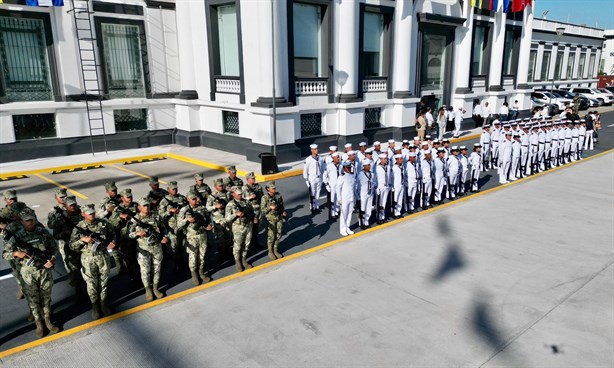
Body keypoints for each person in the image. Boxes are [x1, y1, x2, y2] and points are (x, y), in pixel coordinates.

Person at [7, 209, 60, 337]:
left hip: (44, 271)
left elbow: (54, 248)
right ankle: (38, 324)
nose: (30, 223)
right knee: (33, 300)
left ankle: (48, 321)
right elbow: (5, 254)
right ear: (22, 222)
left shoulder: (43, 233)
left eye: (31, 220)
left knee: (46, 298)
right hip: (28, 273)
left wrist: (52, 260)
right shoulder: (17, 236)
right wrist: (16, 253)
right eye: (27, 221)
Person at [70, 204, 117, 320]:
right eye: (89, 213)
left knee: (103, 282)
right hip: (88, 259)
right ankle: (95, 307)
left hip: (102, 257)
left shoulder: (103, 223)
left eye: (93, 212)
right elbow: (72, 246)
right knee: (91, 284)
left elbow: (112, 235)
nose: (92, 214)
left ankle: (103, 304)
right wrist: (82, 240)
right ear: (83, 214)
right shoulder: (78, 227)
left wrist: (113, 243)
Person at [129, 198, 169, 302]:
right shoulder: (134, 220)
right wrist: (137, 234)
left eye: (147, 205)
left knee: (157, 268)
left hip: (156, 247)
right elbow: (129, 234)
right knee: (145, 271)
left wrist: (165, 237)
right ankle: (148, 290)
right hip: (143, 249)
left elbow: (164, 228)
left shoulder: (156, 216)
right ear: (139, 207)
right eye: (144, 206)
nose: (146, 207)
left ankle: (155, 288)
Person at [178, 192, 212, 285]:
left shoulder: (202, 208)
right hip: (191, 237)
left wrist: (209, 226)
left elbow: (208, 219)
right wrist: (187, 220)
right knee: (193, 256)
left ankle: (201, 273)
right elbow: (178, 226)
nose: (195, 201)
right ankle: (194, 275)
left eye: (196, 199)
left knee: (202, 255)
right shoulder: (184, 210)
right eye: (193, 199)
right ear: (188, 199)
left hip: (202, 235)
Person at [225, 187, 255, 272]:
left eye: (241, 194)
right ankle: (238, 262)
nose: (240, 195)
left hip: (248, 225)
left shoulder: (246, 202)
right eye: (238, 194)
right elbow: (227, 218)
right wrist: (235, 214)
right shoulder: (230, 204)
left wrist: (254, 218)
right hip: (238, 228)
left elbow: (251, 212)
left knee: (246, 244)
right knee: (237, 246)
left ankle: (244, 260)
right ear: (233, 194)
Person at [260, 182, 286, 259]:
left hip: (279, 218)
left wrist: (283, 211)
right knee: (271, 236)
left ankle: (275, 250)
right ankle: (270, 251)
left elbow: (281, 205)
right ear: (268, 189)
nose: (274, 189)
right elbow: (263, 210)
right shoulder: (264, 198)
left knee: (278, 234)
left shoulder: (278, 195)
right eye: (273, 188)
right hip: (270, 220)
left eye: (274, 188)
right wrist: (269, 208)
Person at [242, 172, 264, 249]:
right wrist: (250, 197)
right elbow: (242, 199)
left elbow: (262, 197)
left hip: (258, 209)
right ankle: (248, 244)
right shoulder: (244, 188)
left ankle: (255, 242)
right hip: (250, 210)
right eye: (252, 178)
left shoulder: (258, 186)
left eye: (254, 178)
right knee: (249, 228)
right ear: (248, 179)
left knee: (256, 227)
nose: (254, 179)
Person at [303, 144, 324, 214]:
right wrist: (306, 179)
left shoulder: (321, 158)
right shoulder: (308, 159)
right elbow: (305, 170)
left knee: (318, 193)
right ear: (311, 150)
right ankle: (312, 207)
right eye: (315, 149)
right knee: (312, 193)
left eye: (317, 149)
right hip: (312, 178)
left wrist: (323, 177)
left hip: (319, 177)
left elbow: (323, 168)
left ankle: (317, 207)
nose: (316, 150)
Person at [337, 161, 356, 237]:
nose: (349, 168)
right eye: (348, 167)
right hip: (344, 198)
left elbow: (354, 188)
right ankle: (342, 229)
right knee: (344, 214)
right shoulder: (342, 176)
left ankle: (347, 227)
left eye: (350, 167)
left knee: (349, 213)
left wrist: (355, 197)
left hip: (351, 197)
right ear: (344, 168)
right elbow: (338, 188)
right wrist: (339, 199)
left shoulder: (352, 175)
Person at [356, 159, 376, 229]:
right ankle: (361, 222)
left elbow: (374, 182)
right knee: (362, 209)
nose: (369, 166)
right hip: (363, 193)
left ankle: (367, 221)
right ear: (364, 166)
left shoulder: (372, 174)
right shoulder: (360, 175)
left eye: (369, 165)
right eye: (367, 165)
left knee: (368, 208)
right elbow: (357, 185)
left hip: (370, 193)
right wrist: (357, 194)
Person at [323, 152, 341, 220]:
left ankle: (337, 212)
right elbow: (325, 175)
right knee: (332, 199)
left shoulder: (340, 165)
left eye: (338, 157)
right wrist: (327, 184)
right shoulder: (329, 166)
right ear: (333, 158)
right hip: (332, 185)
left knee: (338, 199)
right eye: (337, 157)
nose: (338, 158)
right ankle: (332, 213)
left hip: (339, 185)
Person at [375, 153, 392, 224]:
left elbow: (389, 176)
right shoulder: (377, 167)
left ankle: (383, 217)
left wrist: (390, 185)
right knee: (379, 203)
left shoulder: (388, 167)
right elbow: (375, 178)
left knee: (384, 203)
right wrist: (376, 187)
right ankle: (378, 218)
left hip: (386, 186)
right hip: (380, 187)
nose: (385, 160)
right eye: (384, 159)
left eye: (386, 158)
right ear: (380, 160)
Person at [391, 154, 406, 218]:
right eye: (400, 159)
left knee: (400, 199)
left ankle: (398, 212)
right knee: (395, 199)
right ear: (396, 160)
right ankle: (394, 213)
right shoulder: (394, 167)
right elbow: (391, 177)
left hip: (401, 185)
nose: (401, 160)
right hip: (396, 185)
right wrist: (392, 186)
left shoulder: (402, 166)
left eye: (402, 159)